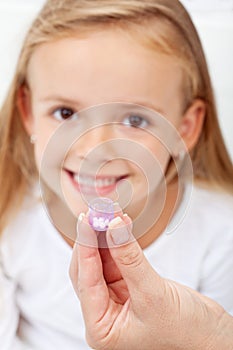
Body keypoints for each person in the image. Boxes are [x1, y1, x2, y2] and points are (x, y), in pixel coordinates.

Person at [0, 0, 232, 349]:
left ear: (184, 128)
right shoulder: (9, 216)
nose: (95, 149)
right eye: (65, 113)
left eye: (135, 120)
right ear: (28, 111)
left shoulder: (219, 231)